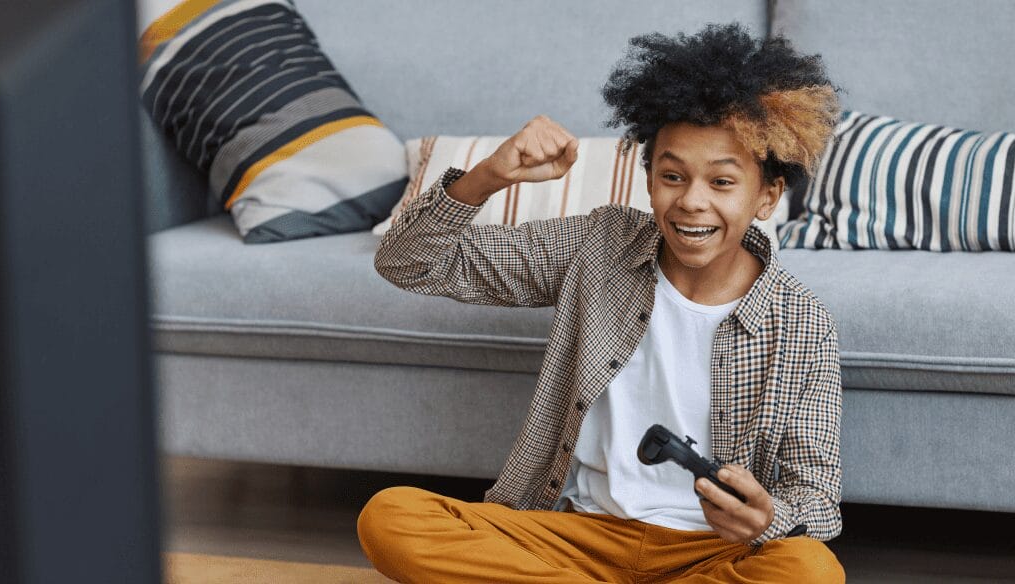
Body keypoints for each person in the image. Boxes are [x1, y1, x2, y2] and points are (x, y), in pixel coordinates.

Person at [358, 22, 846, 583]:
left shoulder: (803, 321)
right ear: (648, 180)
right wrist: (490, 176)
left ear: (766, 196)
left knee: (810, 570)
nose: (691, 202)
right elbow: (409, 261)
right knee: (392, 516)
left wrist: (767, 516)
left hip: (710, 554)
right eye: (672, 175)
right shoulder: (601, 246)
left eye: (721, 183)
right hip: (572, 537)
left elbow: (819, 498)